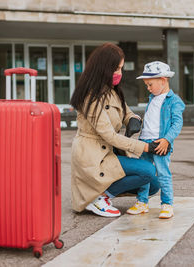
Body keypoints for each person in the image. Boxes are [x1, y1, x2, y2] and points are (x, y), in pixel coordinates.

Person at [69, 43, 162, 217]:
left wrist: (133, 120)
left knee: (154, 184)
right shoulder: (91, 96)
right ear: (104, 68)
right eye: (116, 68)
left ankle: (102, 193)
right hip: (93, 155)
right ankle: (98, 198)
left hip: (108, 153)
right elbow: (109, 136)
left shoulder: (112, 91)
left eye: (120, 68)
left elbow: (127, 113)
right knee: (147, 171)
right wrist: (145, 147)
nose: (119, 73)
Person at [126, 61, 185, 219]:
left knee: (163, 174)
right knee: (144, 172)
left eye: (150, 84)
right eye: (146, 85)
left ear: (163, 80)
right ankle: (142, 202)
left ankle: (167, 204)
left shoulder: (174, 101)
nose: (148, 88)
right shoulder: (152, 98)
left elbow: (177, 123)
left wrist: (167, 139)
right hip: (145, 142)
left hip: (161, 143)